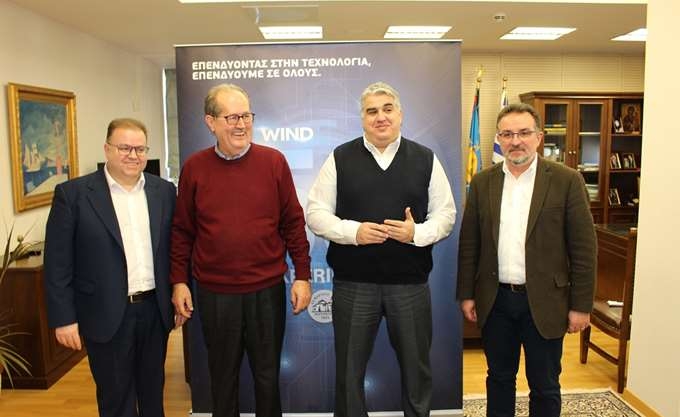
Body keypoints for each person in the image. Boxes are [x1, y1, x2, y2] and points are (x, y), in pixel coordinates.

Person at [306, 81, 456, 417]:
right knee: (349, 374)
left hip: (410, 286)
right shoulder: (339, 157)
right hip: (353, 285)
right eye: (372, 111)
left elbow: (446, 215)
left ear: (400, 114)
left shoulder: (425, 158)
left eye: (388, 109)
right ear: (362, 118)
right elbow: (315, 213)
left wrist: (415, 233)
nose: (380, 117)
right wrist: (353, 232)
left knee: (417, 371)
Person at [170, 83, 312, 417]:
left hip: (266, 291)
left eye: (246, 116)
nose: (241, 124)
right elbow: (182, 231)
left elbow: (293, 222)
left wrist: (303, 276)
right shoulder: (194, 168)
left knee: (267, 377)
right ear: (210, 122)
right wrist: (179, 281)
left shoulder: (273, 162)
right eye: (232, 117)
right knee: (222, 379)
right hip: (215, 294)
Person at [457, 103, 596, 417]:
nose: (515, 141)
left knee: (545, 384)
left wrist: (581, 305)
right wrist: (467, 294)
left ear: (538, 137)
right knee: (499, 378)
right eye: (507, 134)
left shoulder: (566, 180)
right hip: (496, 301)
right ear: (498, 139)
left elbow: (584, 249)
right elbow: (470, 244)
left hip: (546, 302)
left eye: (523, 133)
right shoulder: (482, 182)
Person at [44, 118, 178, 417]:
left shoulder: (164, 191)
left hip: (154, 311)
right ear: (107, 149)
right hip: (105, 314)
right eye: (124, 148)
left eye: (140, 149)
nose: (133, 155)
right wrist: (63, 319)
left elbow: (174, 249)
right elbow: (57, 263)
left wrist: (177, 293)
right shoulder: (73, 195)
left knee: (153, 394)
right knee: (116, 400)